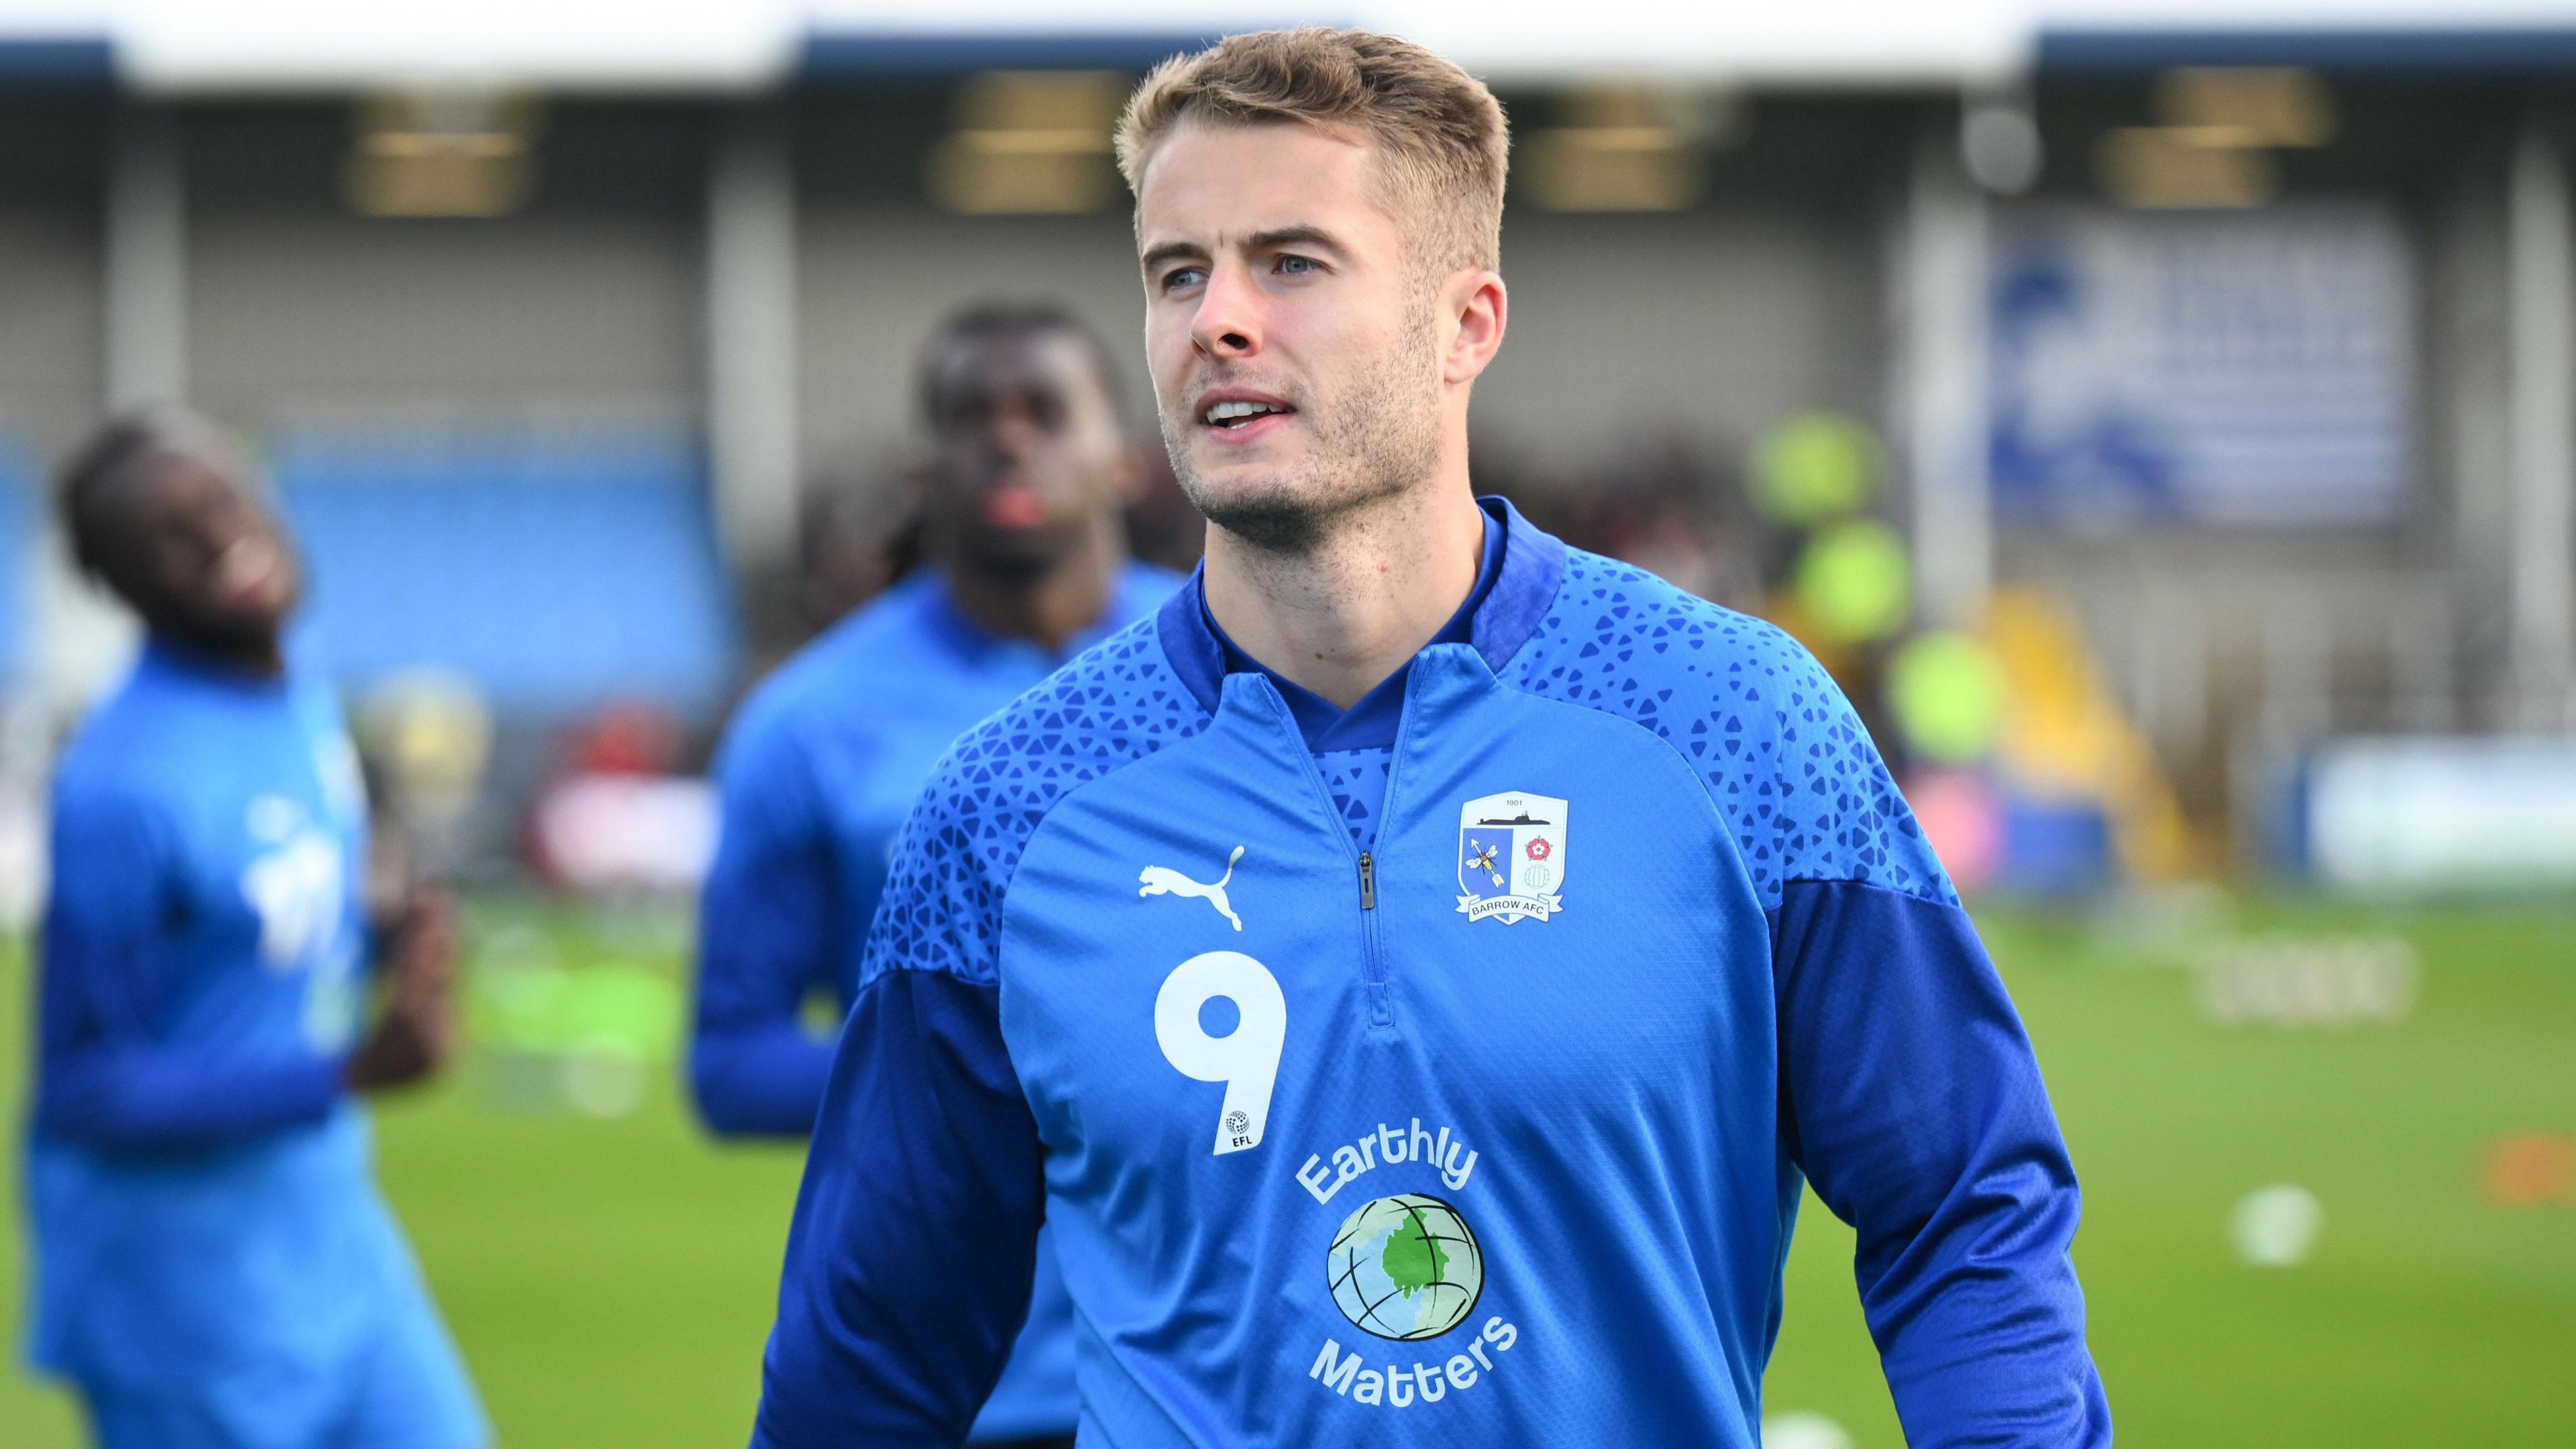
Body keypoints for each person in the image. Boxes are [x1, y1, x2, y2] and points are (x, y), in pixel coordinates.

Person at [752, 30, 2108, 1448]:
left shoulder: (1735, 725)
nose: (1217, 319)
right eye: (1176, 272)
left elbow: (1962, 1198)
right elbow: (868, 1358)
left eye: (1291, 262)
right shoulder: (1013, 807)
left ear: (1468, 321)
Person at [691, 304, 1183, 1448]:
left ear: (1123, 455)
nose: (1008, 441)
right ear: (921, 470)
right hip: (965, 1383)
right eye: (971, 418)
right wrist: (995, 1068)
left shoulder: (1247, 672)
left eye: (1045, 412)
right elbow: (729, 1062)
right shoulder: (804, 726)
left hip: (1216, 1364)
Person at [23, 411, 486, 1449]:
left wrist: (380, 936)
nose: (220, 537)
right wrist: (344, 1075)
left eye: (225, 497)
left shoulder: (294, 693)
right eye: (167, 536)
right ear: (118, 588)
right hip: (181, 1302)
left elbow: (255, 948)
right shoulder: (121, 787)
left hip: (334, 1245)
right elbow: (88, 1086)